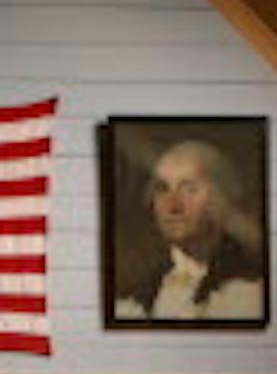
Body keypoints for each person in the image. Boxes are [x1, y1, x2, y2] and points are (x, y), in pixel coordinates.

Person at [113, 138, 264, 322]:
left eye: (189, 189)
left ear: (221, 201)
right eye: (162, 189)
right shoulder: (136, 295)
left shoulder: (253, 286)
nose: (173, 206)